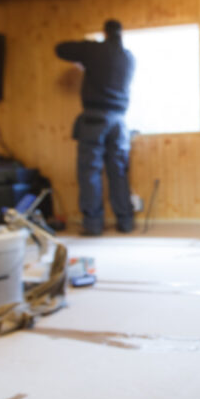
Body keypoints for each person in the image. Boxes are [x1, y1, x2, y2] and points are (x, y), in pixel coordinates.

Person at [55, 19, 136, 236]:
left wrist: (86, 50)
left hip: (95, 119)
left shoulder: (95, 50)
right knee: (118, 172)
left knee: (89, 172)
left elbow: (60, 49)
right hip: (119, 121)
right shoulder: (128, 57)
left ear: (105, 32)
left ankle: (93, 224)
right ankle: (126, 221)